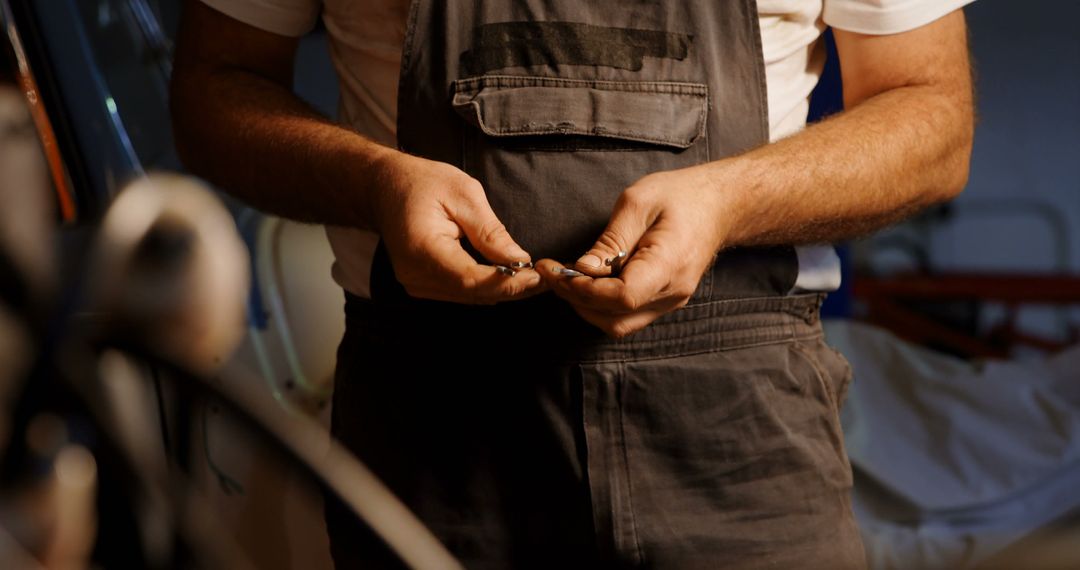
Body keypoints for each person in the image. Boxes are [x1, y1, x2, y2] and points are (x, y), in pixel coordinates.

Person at [170, 0, 975, 567]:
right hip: (435, 431)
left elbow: (933, 116)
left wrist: (728, 201)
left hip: (743, 440)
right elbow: (215, 85)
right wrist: (375, 183)